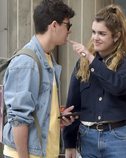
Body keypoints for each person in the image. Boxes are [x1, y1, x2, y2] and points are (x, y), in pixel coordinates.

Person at [2, 0, 75, 158]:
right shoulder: (27, 63)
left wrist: (56, 119)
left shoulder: (47, 58)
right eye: (68, 26)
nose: (69, 31)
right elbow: (18, 119)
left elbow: (38, 111)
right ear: (54, 25)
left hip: (44, 152)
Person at [63, 4, 126, 158]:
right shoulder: (82, 63)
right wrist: (69, 143)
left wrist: (91, 59)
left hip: (118, 139)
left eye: (102, 33)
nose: (95, 37)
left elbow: (118, 86)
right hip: (87, 137)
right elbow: (73, 104)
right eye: (94, 32)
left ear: (116, 36)